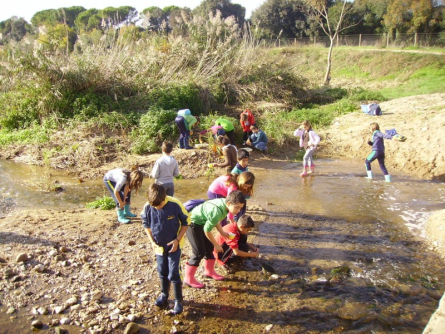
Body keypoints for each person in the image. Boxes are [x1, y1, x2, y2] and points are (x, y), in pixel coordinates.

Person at [141, 184, 190, 314]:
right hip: (158, 246)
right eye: (155, 206)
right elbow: (145, 223)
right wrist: (152, 241)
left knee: (174, 272)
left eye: (160, 205)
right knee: (162, 270)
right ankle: (164, 294)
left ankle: (179, 300)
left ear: (165, 198)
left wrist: (177, 240)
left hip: (174, 244)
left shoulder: (175, 204)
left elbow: (186, 222)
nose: (158, 207)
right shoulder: (148, 206)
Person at [183, 191, 246, 288]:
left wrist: (223, 233)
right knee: (199, 252)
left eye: (240, 208)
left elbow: (216, 220)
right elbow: (207, 230)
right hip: (192, 224)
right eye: (237, 207)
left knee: (209, 248)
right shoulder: (217, 211)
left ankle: (209, 271)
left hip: (201, 223)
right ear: (229, 203)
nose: (238, 210)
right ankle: (188, 278)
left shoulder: (224, 205)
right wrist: (216, 244)